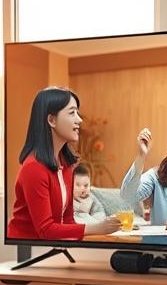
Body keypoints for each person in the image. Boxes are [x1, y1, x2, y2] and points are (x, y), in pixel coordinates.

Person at [7, 87, 120, 240]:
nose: (79, 120)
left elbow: (67, 220)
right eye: (72, 113)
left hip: (51, 246)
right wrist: (98, 228)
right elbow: (45, 230)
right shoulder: (33, 168)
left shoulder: (66, 164)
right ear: (52, 120)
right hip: (26, 249)